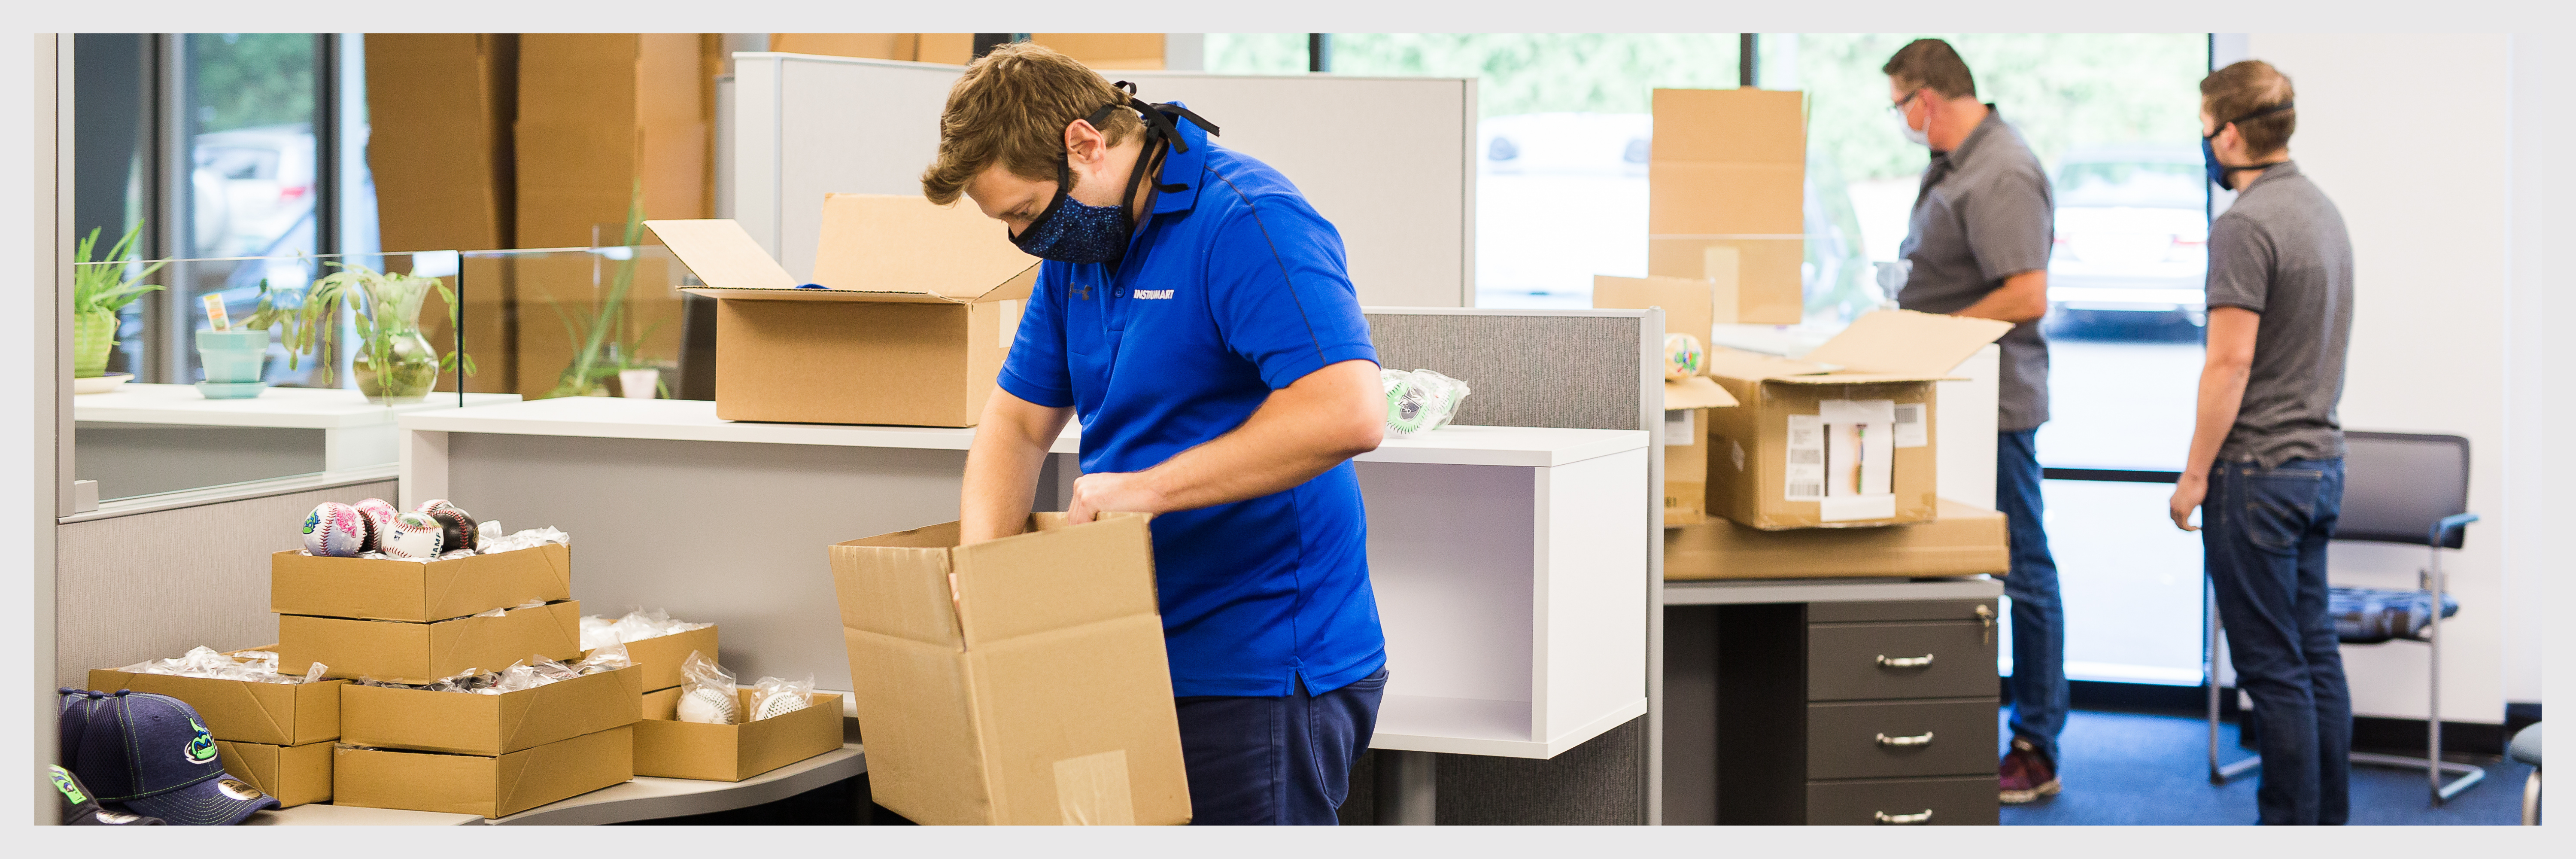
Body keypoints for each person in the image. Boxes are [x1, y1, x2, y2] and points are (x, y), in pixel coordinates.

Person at [920, 43, 1390, 826]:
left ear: (1085, 145)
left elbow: (1348, 411)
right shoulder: (1086, 243)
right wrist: (985, 570)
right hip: (1132, 647)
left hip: (1262, 661)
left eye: (1027, 214)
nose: (1026, 240)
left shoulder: (1246, 219)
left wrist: (1145, 490)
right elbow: (1017, 419)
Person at [1880, 38, 2067, 804]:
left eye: (1899, 106)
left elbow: (2026, 294)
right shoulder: (1958, 166)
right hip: (1952, 402)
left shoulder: (2003, 170)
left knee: (2021, 569)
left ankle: (2036, 744)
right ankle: (1958, 727)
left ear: (1926, 99)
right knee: (1957, 566)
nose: (1900, 120)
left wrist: (1940, 332)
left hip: (1992, 408)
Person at [2167, 59, 2354, 826]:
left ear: (2232, 134)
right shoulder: (2321, 209)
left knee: (2274, 673)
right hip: (2319, 468)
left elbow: (2231, 361)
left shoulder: (2244, 225)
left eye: (2206, 129)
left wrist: (2192, 477)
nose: (2205, 145)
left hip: (2257, 476)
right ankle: (2328, 827)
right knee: (2313, 659)